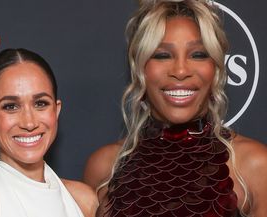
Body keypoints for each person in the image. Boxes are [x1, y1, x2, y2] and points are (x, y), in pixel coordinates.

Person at [83, 0, 267, 216]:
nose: (180, 70)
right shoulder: (104, 166)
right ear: (140, 68)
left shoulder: (254, 164)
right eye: (162, 55)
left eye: (198, 54)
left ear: (216, 68)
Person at [0, 48, 98, 217]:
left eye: (40, 103)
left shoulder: (85, 201)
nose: (29, 122)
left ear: (56, 111)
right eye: (10, 106)